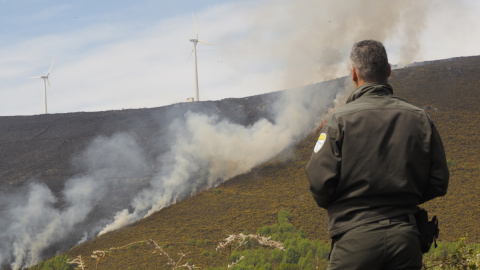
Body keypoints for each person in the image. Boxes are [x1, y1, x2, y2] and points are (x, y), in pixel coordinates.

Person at [305, 40, 449, 270]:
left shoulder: (338, 121)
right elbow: (439, 182)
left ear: (353, 73)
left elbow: (319, 185)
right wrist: (403, 196)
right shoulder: (420, 118)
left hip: (354, 240)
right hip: (406, 240)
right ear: (389, 70)